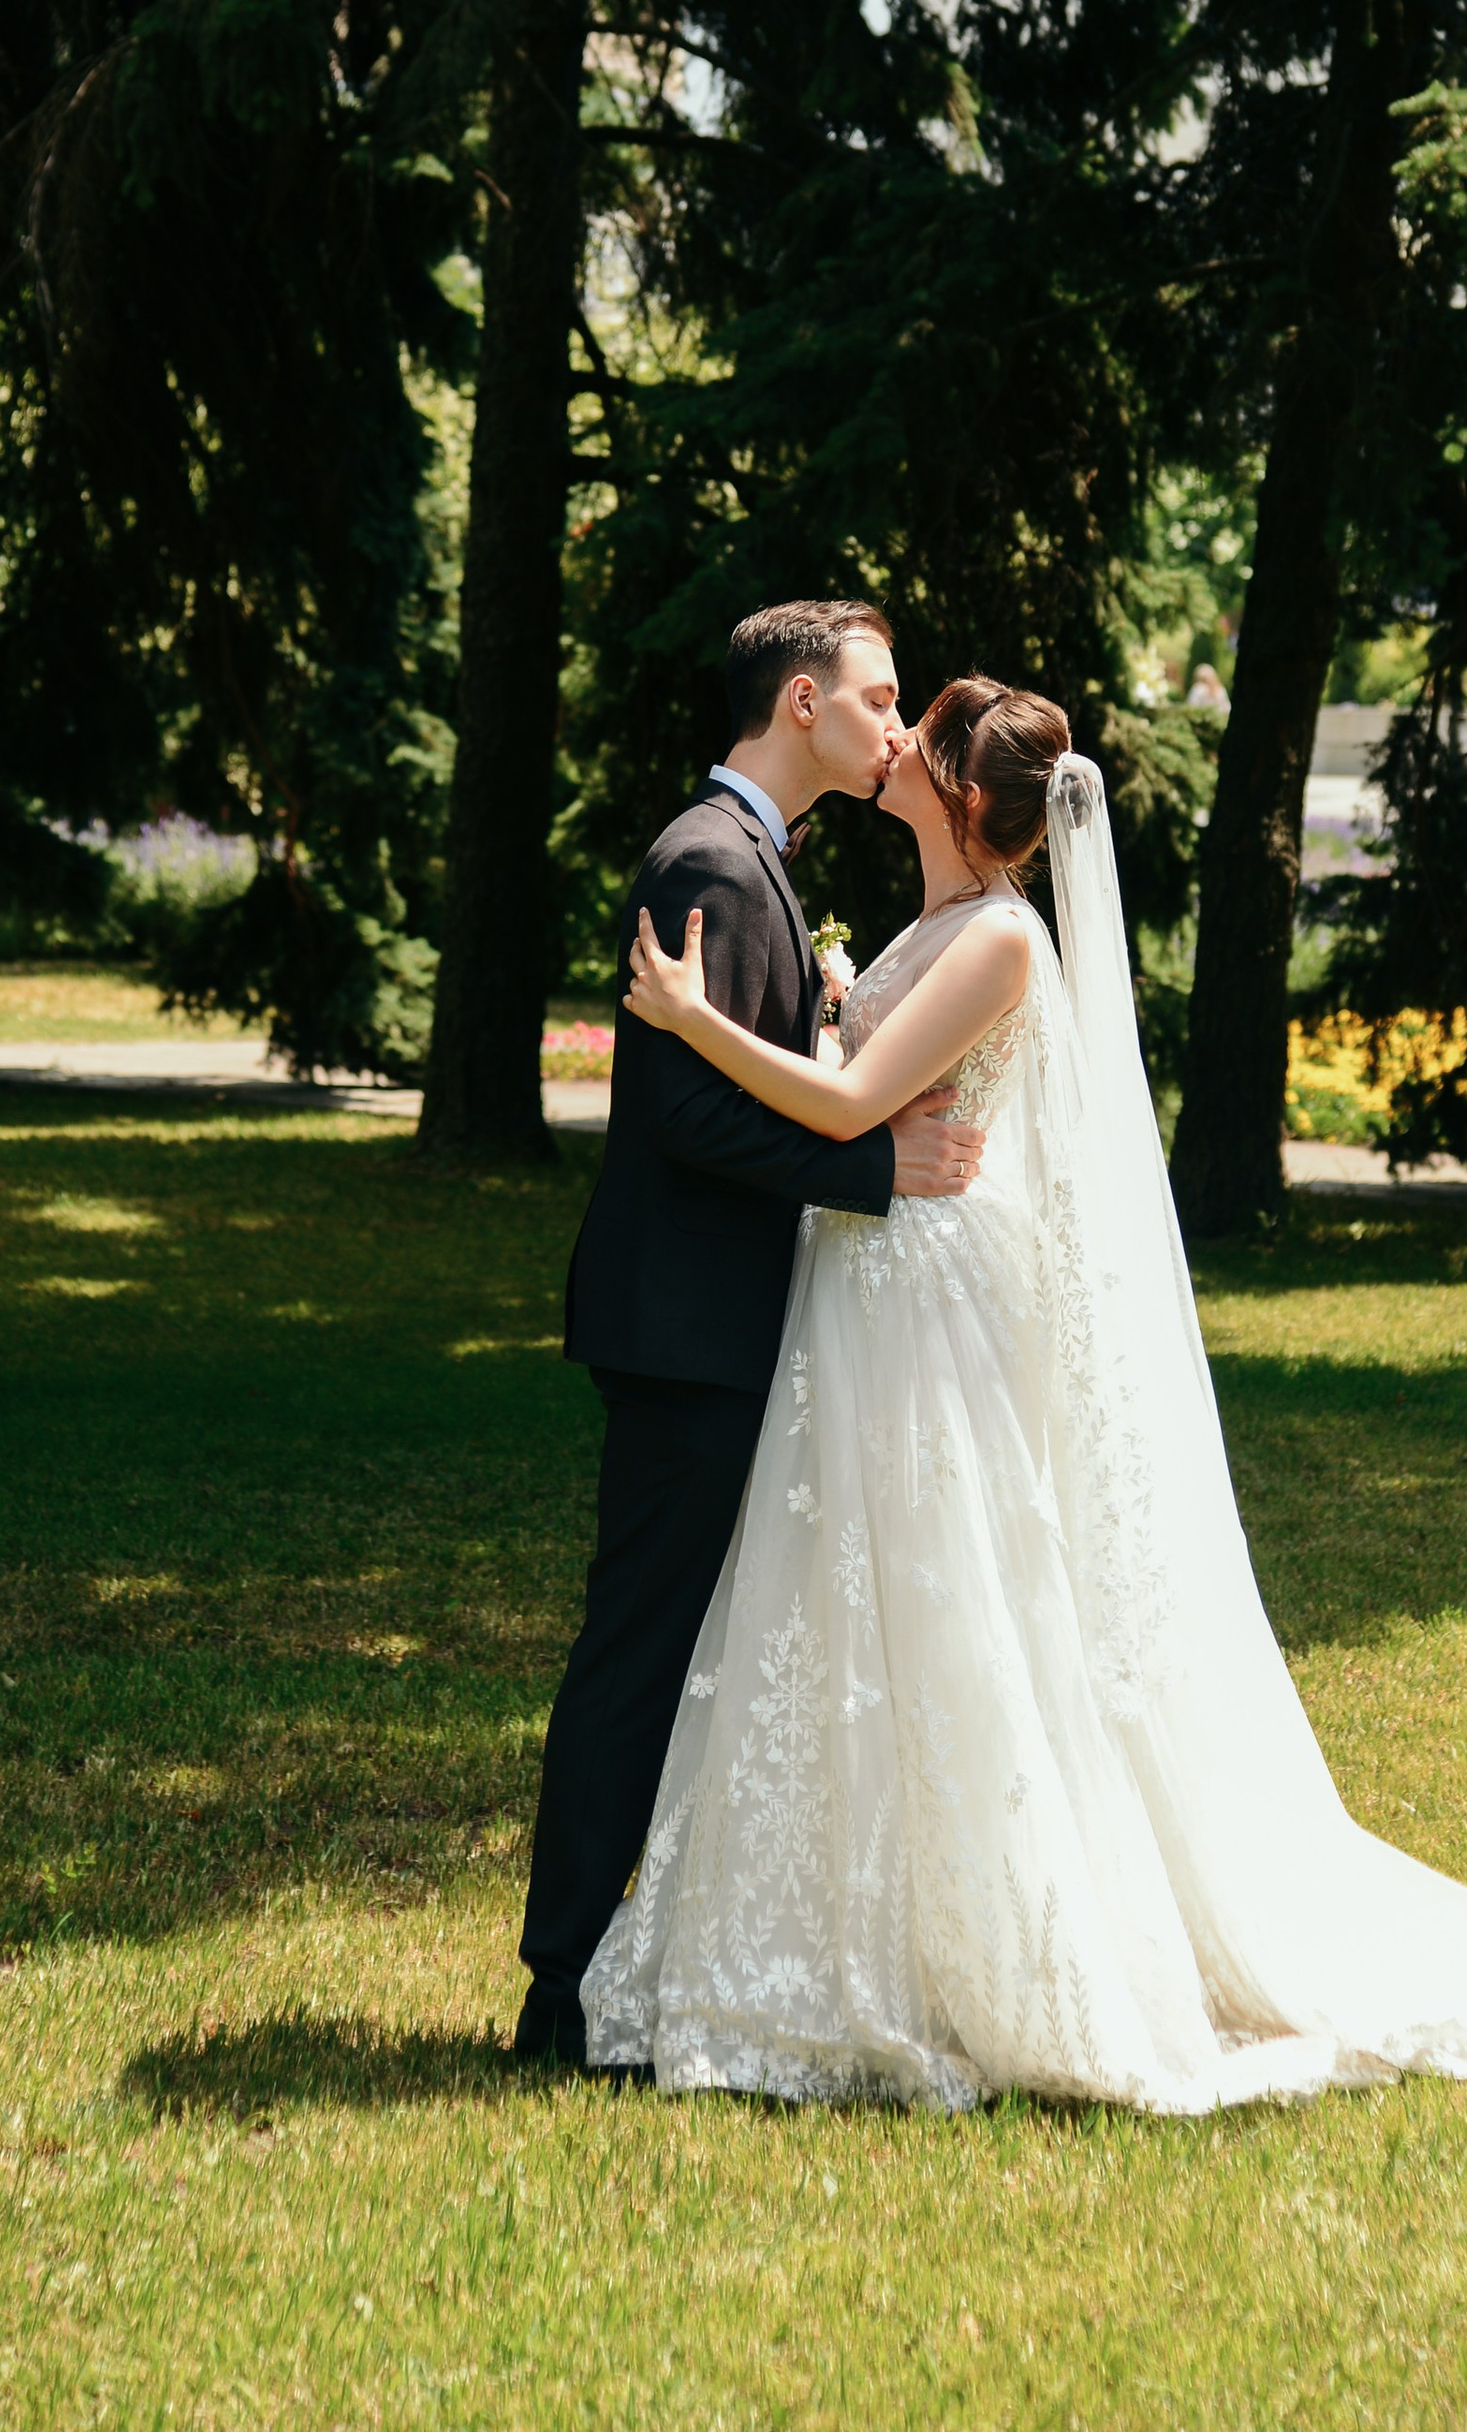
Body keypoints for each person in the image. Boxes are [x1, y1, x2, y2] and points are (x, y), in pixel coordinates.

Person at [582, 677, 1467, 2111]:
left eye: (929, 729)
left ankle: (1000, 1949)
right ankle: (858, 1937)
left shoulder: (1001, 944)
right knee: (859, 1604)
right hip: (875, 1282)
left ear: (971, 799)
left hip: (931, 1296)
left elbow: (846, 1113)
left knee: (953, 1588)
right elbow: (864, 1087)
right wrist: (843, 1010)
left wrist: (686, 1016)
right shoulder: (927, 928)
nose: (898, 739)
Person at [510, 600, 986, 2067]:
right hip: (682, 1326)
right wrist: (867, 1163)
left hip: (719, 1320)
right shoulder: (709, 858)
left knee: (695, 1652)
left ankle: (638, 1965)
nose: (894, 727)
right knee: (640, 1653)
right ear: (800, 704)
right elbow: (682, 1110)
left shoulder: (755, 864)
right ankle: (560, 1990)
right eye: (878, 698)